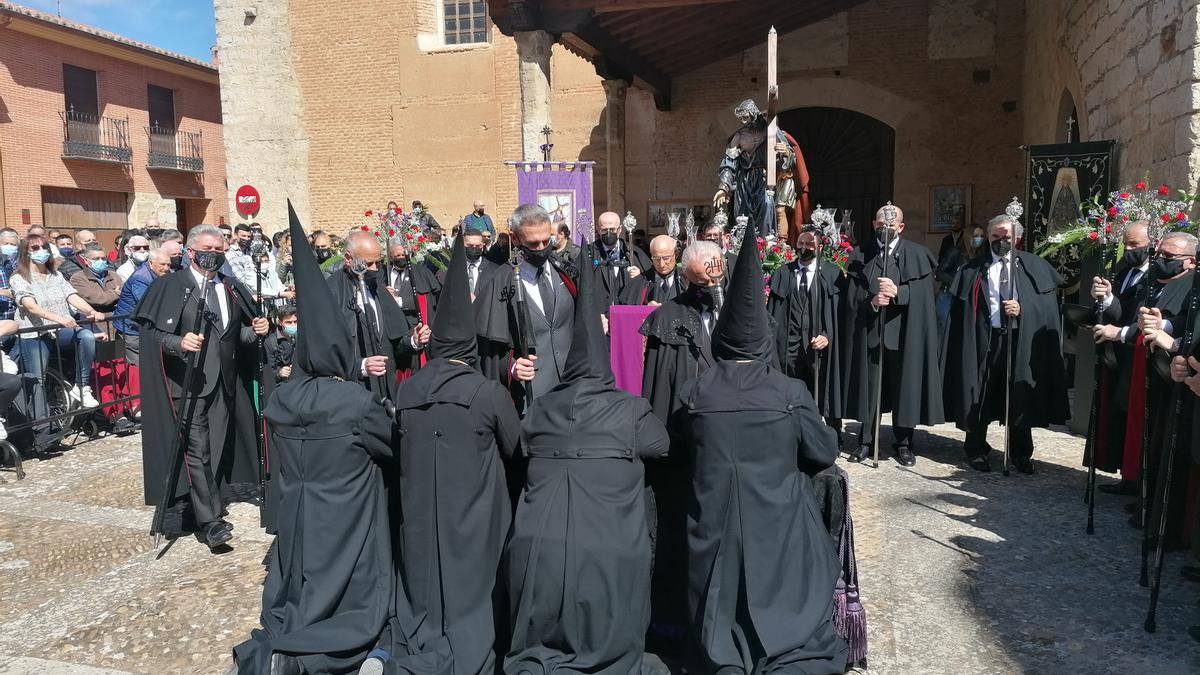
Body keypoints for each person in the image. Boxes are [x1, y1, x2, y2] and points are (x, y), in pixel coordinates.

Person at [677, 215, 846, 674]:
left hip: (711, 520)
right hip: (777, 519)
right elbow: (824, 452)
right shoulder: (788, 393)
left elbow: (682, 450)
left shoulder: (697, 392)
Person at [230, 209, 394, 675]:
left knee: (298, 587)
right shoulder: (354, 403)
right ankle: (314, 653)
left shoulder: (283, 399)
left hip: (300, 514)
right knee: (356, 591)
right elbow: (387, 446)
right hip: (346, 513)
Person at [504, 249, 669, 675]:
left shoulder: (541, 411)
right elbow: (662, 445)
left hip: (536, 546)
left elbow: (521, 447)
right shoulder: (630, 410)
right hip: (608, 548)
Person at [365, 235, 520, 675]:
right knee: (472, 596)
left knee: (422, 590)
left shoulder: (409, 388)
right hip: (475, 517)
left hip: (419, 514)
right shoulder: (487, 393)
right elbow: (516, 452)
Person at [136, 224, 269, 552]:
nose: (215, 255)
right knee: (198, 450)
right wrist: (178, 342)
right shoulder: (170, 286)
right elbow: (150, 336)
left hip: (224, 383)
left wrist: (260, 331)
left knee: (219, 445)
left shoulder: (231, 288)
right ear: (191, 252)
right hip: (188, 384)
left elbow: (239, 338)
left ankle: (205, 503)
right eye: (209, 249)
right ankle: (211, 523)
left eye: (221, 249)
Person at [637, 240, 724, 651]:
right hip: (682, 448)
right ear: (687, 274)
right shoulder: (668, 318)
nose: (713, 280)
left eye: (718, 272)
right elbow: (655, 388)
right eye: (706, 274)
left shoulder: (738, 311)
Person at [942, 212, 1069, 474]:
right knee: (980, 391)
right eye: (995, 236)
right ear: (988, 236)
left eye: (1006, 237)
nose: (1000, 241)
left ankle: (1021, 452)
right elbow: (961, 312)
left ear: (1018, 239)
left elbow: (1047, 309)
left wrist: (1023, 309)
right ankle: (976, 448)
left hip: (1018, 340)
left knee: (1019, 393)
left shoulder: (1034, 266)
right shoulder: (973, 268)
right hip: (984, 339)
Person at [1093, 230, 1197, 522]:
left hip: (1168, 373)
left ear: (1190, 261)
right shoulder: (1154, 281)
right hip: (1140, 366)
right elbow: (1129, 315)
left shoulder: (1191, 286)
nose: (1161, 260)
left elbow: (1187, 319)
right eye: (1159, 254)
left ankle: (1151, 500)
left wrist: (1164, 328)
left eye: (1169, 256)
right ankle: (1140, 490)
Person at [843, 204, 944, 465]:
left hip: (903, 336)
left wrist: (900, 292)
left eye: (890, 225)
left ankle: (904, 443)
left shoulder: (918, 255)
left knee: (904, 389)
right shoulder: (859, 254)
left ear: (901, 227)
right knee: (870, 390)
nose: (884, 228)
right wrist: (873, 300)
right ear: (874, 224)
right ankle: (866, 441)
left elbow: (925, 297)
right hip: (872, 334)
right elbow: (852, 296)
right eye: (880, 224)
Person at [475, 204, 577, 414]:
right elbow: (485, 348)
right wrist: (511, 367)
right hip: (529, 399)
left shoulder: (565, 273)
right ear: (516, 239)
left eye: (546, 240)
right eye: (533, 243)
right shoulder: (500, 281)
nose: (541, 248)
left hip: (571, 392)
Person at [1087, 221, 1152, 494]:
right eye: (1126, 244)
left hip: (1140, 354)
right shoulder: (1124, 271)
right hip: (1118, 355)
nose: (1128, 249)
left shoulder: (1155, 276)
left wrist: (1120, 332)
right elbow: (1118, 310)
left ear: (1153, 244)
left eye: (1135, 244)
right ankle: (1126, 477)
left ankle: (1138, 480)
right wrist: (1104, 298)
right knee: (1119, 412)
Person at [9, 234, 108, 409]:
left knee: (86, 336)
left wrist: (92, 311)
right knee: (38, 379)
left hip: (60, 330)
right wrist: (59, 319)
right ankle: (41, 424)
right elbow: (31, 307)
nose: (41, 251)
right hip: (35, 333)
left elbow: (72, 296)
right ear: (26, 252)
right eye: (35, 248)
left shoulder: (56, 276)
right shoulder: (18, 278)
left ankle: (82, 386)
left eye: (44, 247)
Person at [330, 231, 429, 397]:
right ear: (349, 259)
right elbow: (325, 354)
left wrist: (413, 340)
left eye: (378, 262)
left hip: (387, 387)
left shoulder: (377, 287)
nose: (376, 268)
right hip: (353, 391)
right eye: (369, 263)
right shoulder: (331, 292)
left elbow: (394, 339)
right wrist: (360, 366)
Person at [767, 226, 847, 428]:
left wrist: (828, 335)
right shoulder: (783, 273)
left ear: (820, 247)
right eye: (801, 243)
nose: (804, 247)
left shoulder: (832, 274)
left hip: (819, 347)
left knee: (824, 393)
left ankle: (830, 436)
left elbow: (842, 312)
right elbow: (772, 313)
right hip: (790, 347)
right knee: (790, 394)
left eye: (809, 244)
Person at [115, 242, 178, 368]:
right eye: (162, 264)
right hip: (131, 328)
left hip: (147, 327)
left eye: (168, 264)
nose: (166, 268)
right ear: (151, 263)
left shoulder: (165, 274)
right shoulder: (141, 278)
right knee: (139, 367)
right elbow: (148, 303)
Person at [383, 236, 439, 378]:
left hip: (412, 327)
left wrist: (400, 301)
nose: (400, 257)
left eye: (403, 255)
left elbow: (428, 298)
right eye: (397, 255)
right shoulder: (382, 273)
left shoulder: (421, 273)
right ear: (390, 256)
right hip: (389, 329)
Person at [582, 211, 651, 308]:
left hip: (627, 313)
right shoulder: (588, 253)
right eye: (604, 230)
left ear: (620, 229)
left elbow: (651, 282)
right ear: (598, 230)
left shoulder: (634, 253)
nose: (608, 233)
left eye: (612, 229)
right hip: (599, 315)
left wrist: (640, 277)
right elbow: (582, 288)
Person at [936, 223, 984, 344]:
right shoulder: (956, 251)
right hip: (948, 295)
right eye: (976, 235)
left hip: (965, 298)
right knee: (943, 331)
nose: (980, 239)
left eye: (982, 236)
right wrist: (957, 283)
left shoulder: (980, 254)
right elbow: (939, 272)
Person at [619, 234, 681, 305]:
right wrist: (645, 310)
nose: (661, 264)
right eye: (656, 259)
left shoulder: (685, 281)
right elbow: (624, 310)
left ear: (676, 255)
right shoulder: (639, 282)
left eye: (666, 258)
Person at [68, 243, 122, 313]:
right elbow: (96, 299)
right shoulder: (78, 278)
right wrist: (116, 293)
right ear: (86, 260)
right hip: (94, 319)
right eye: (96, 259)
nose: (101, 261)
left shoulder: (114, 275)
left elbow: (125, 296)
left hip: (117, 316)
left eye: (103, 258)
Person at [461, 228, 499, 297]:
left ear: (483, 245)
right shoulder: (453, 268)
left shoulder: (494, 270)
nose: (474, 248)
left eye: (478, 246)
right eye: (470, 245)